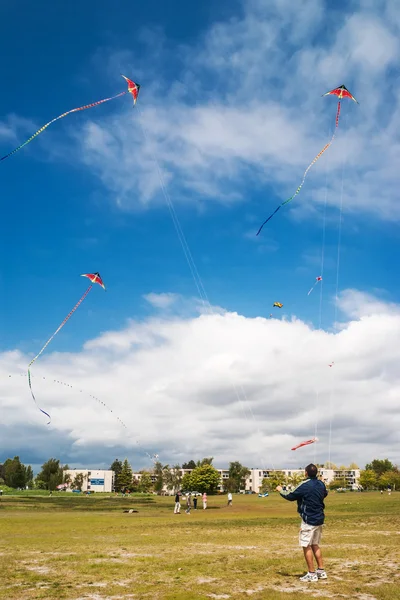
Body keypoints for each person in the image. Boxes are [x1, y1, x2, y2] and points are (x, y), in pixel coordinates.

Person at [276, 463, 328, 582]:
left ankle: (311, 573)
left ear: (306, 473)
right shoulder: (321, 483)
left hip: (308, 520)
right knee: (315, 544)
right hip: (319, 519)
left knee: (306, 545)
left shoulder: (305, 484)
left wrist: (280, 490)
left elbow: (290, 495)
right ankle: (321, 571)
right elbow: (324, 494)